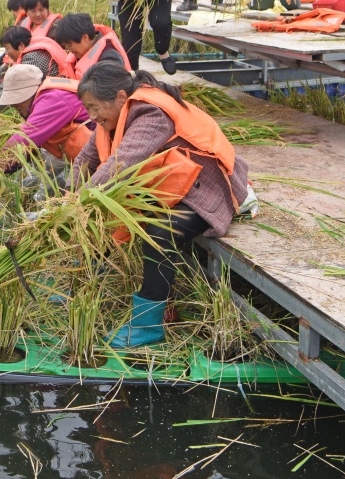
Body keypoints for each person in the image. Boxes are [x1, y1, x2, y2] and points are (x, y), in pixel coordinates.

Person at [70, 63, 250, 348]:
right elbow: (85, 160)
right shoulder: (114, 117)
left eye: (94, 107)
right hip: (175, 187)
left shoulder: (150, 113)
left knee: (160, 231)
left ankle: (148, 324)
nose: (91, 116)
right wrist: (66, 199)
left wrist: (77, 205)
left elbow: (120, 166)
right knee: (103, 215)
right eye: (87, 108)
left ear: (120, 97)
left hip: (207, 189)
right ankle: (84, 284)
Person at [0, 65, 94, 174]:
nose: (13, 105)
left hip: (99, 154)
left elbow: (24, 138)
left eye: (16, 99)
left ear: (30, 91)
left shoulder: (53, 99)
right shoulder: (47, 91)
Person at [0, 26, 73, 128]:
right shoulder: (30, 52)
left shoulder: (33, 58)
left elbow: (13, 89)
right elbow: (11, 84)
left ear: (20, 46)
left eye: (7, 48)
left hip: (59, 101)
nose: (6, 53)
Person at [55, 13, 131, 79]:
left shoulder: (109, 56)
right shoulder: (79, 54)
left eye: (70, 45)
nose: (69, 50)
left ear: (85, 38)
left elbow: (112, 86)